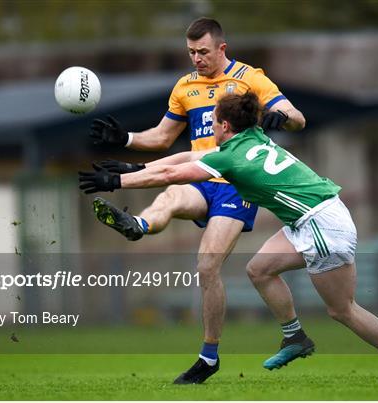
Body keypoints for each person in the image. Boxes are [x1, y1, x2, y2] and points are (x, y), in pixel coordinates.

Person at [79, 92, 378, 382]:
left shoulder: (231, 158)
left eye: (212, 121)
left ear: (225, 126)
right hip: (311, 218)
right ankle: (295, 337)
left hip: (321, 224)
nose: (209, 126)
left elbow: (175, 172)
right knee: (258, 270)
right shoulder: (252, 138)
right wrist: (136, 168)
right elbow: (187, 156)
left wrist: (116, 183)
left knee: (342, 309)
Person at [87, 17, 305, 384]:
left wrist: (275, 117)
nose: (196, 59)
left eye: (203, 52)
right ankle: (138, 225)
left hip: (237, 182)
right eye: (190, 52)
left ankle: (208, 357)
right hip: (200, 176)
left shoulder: (249, 78)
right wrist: (124, 138)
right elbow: (160, 137)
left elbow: (298, 118)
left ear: (222, 48)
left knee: (206, 266)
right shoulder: (184, 86)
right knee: (171, 194)